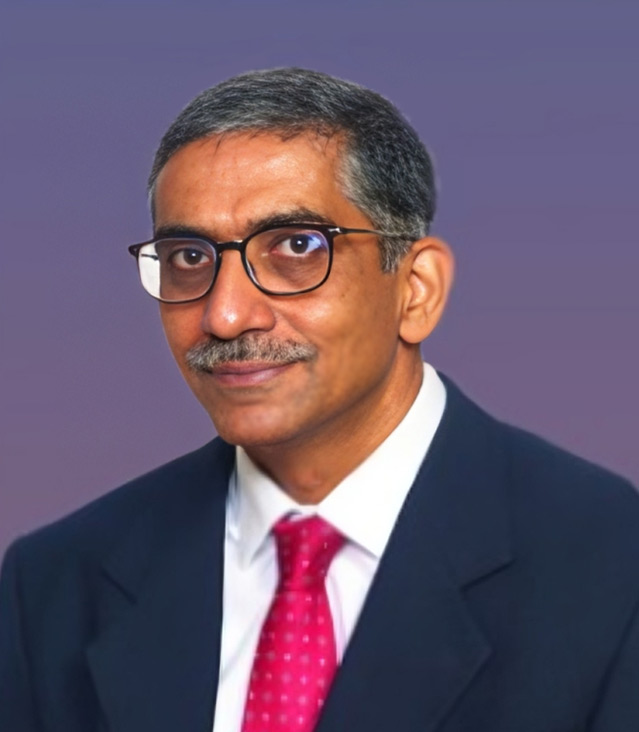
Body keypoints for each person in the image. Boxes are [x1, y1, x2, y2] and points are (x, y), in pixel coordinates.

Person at [1, 67, 638, 732]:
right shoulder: (54, 586)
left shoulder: (610, 562)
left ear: (415, 289)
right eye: (189, 257)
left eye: (295, 247)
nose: (225, 315)